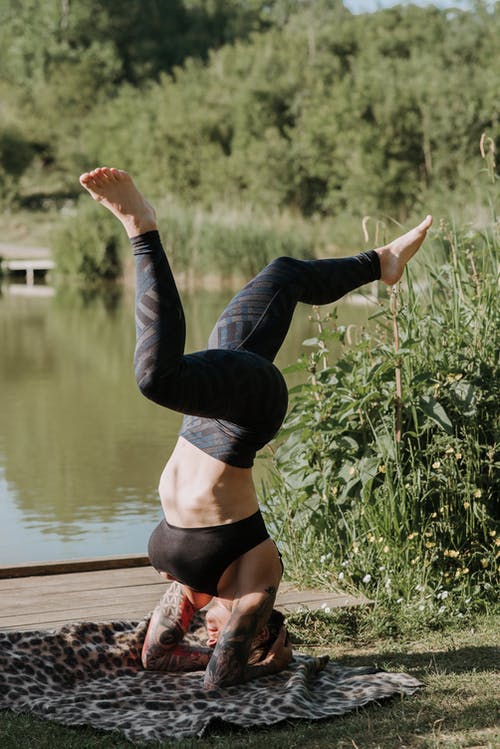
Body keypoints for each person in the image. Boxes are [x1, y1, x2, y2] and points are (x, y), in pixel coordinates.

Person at [79, 167, 432, 689]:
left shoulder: (194, 592)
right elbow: (223, 674)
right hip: (248, 413)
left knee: (282, 275)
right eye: (233, 635)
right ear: (260, 630)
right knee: (157, 377)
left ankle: (384, 262)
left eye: (214, 637)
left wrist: (215, 657)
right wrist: (268, 662)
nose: (210, 633)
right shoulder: (256, 582)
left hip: (208, 413)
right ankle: (142, 227)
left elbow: (156, 658)